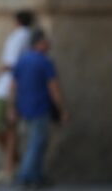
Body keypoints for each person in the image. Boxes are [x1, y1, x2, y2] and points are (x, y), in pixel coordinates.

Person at [8, 29, 69, 187]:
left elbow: (13, 86)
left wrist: (13, 107)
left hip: (24, 108)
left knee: (35, 142)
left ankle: (37, 176)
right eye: (46, 41)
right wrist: (62, 110)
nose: (49, 44)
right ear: (39, 43)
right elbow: (53, 87)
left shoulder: (22, 61)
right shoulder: (45, 62)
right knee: (37, 143)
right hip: (40, 108)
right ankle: (25, 174)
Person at [0, 10, 35, 182]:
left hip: (8, 88)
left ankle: (13, 164)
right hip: (9, 86)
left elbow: (12, 63)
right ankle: (13, 164)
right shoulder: (25, 36)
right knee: (9, 129)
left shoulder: (20, 36)